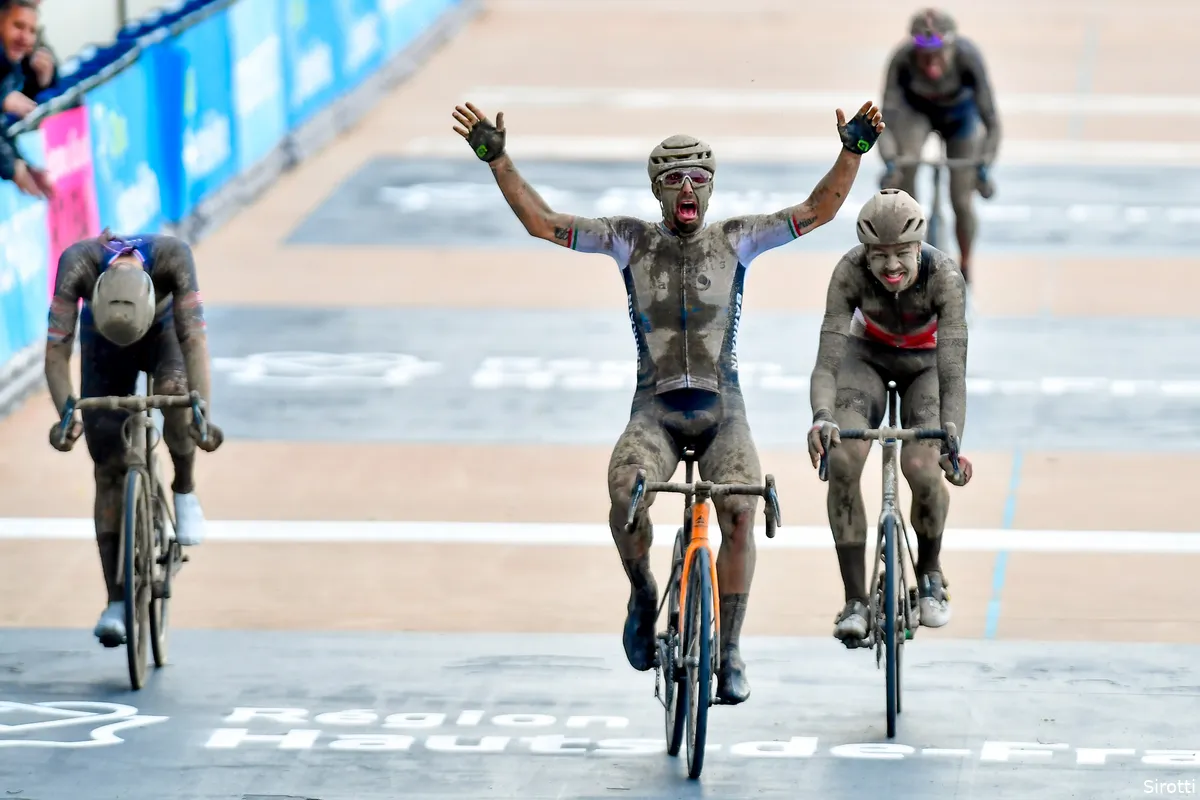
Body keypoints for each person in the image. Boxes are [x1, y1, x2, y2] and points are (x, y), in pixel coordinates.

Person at [451, 99, 885, 703]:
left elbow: (817, 211)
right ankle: (643, 589)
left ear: (711, 190)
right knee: (626, 489)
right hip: (653, 410)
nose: (688, 189)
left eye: (700, 179)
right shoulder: (629, 240)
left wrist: (851, 151)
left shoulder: (736, 240)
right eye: (674, 180)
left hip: (721, 413)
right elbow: (544, 223)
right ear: (656, 191)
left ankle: (730, 649)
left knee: (738, 508)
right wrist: (498, 159)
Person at [806, 188, 973, 644]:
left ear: (920, 247)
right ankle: (855, 599)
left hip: (927, 364)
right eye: (879, 256)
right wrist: (823, 417)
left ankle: (931, 572)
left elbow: (953, 376)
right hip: (867, 358)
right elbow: (827, 363)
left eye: (902, 254)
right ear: (865, 253)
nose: (892, 267)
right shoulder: (848, 272)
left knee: (921, 466)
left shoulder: (945, 278)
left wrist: (952, 440)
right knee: (842, 461)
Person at [45, 230, 224, 647]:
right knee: (107, 465)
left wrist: (202, 417)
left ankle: (184, 487)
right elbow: (56, 353)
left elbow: (194, 342)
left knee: (180, 399)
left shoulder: (173, 258)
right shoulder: (77, 265)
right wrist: (66, 413)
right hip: (102, 341)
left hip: (164, 333)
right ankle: (116, 601)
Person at [877, 7, 1000, 287]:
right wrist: (891, 163)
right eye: (924, 56)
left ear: (952, 47)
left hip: (961, 118)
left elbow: (992, 123)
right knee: (905, 184)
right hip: (916, 113)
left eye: (939, 55)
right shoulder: (902, 60)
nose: (931, 65)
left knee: (961, 199)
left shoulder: (968, 58)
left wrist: (984, 165)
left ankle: (966, 261)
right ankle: (911, 253)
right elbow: (885, 125)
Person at [0, 0, 56, 120]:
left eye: (32, 31)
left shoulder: (26, 54)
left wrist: (43, 82)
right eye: (18, 26)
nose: (25, 38)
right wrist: (2, 101)